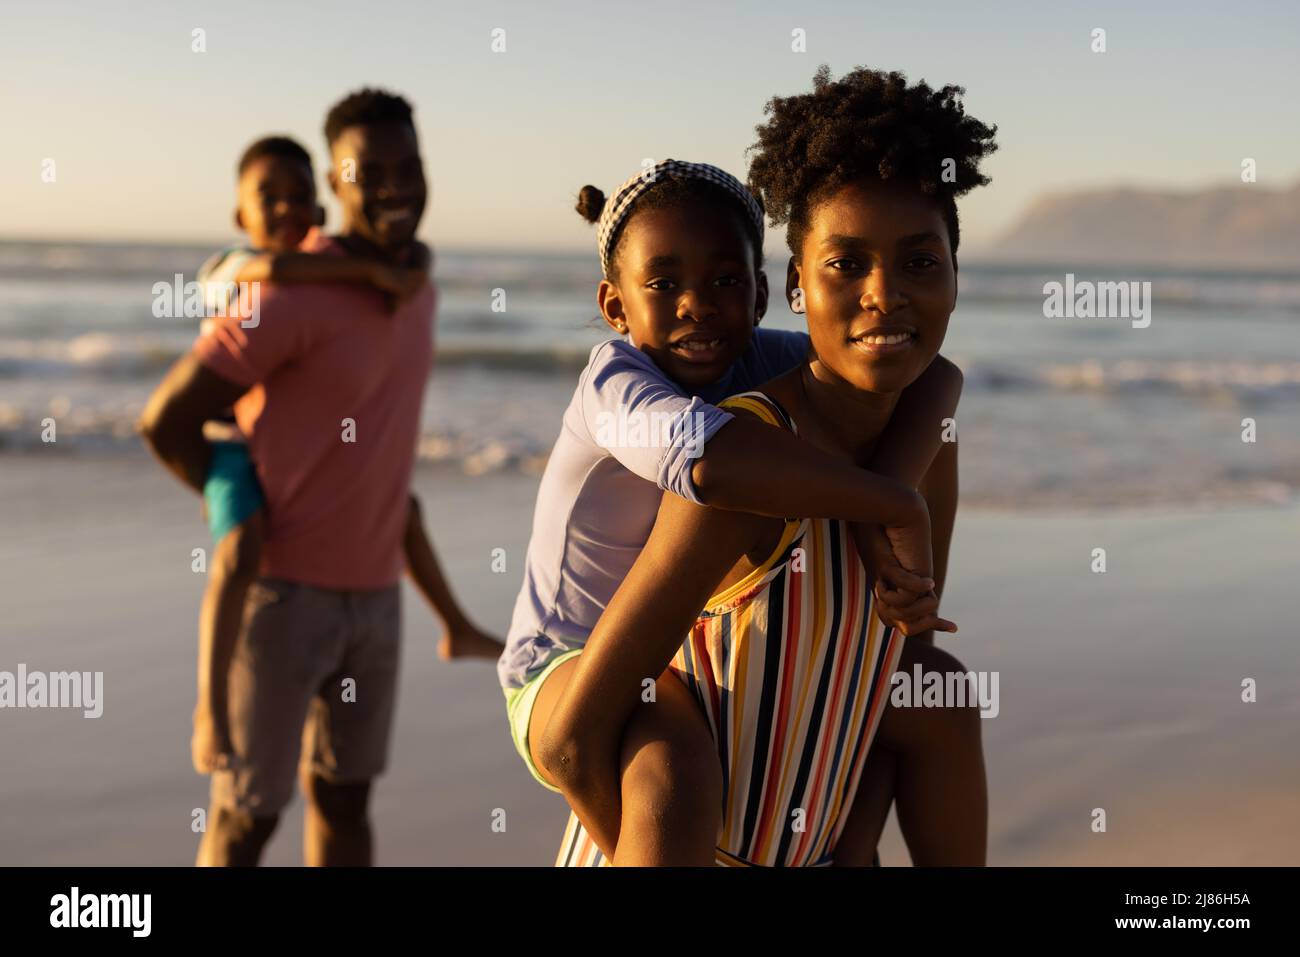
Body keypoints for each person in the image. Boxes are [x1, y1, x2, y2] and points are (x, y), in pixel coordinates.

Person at [538, 66, 998, 866]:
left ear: (958, 277)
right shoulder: (749, 457)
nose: (885, 294)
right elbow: (578, 738)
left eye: (921, 262)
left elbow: (876, 678)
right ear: (788, 288)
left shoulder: (930, 442)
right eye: (846, 264)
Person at [140, 88, 494, 867]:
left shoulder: (418, 287)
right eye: (371, 172)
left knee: (346, 802)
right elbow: (164, 420)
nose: (396, 186)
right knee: (247, 819)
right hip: (281, 600)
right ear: (336, 187)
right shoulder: (290, 294)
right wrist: (242, 506)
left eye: (409, 167)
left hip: (377, 601)